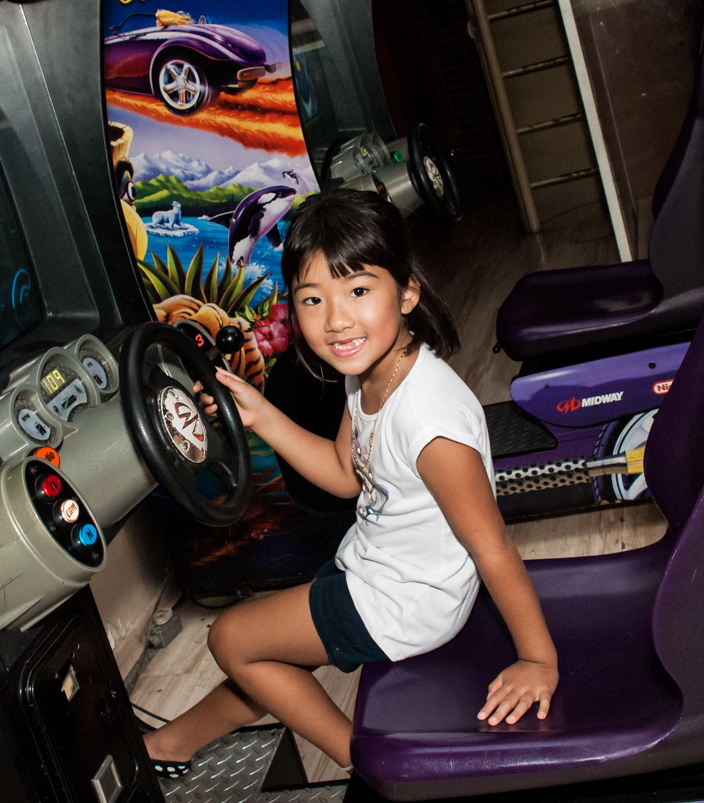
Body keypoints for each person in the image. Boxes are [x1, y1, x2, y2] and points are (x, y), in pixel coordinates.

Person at [142, 189, 558, 778]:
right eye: (313, 299)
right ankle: (171, 745)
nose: (336, 320)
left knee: (233, 641)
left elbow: (492, 550)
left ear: (407, 291)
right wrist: (259, 414)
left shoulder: (429, 423)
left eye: (358, 291)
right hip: (376, 565)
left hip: (403, 602)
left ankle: (372, 767)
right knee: (270, 662)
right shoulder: (368, 373)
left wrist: (538, 660)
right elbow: (344, 475)